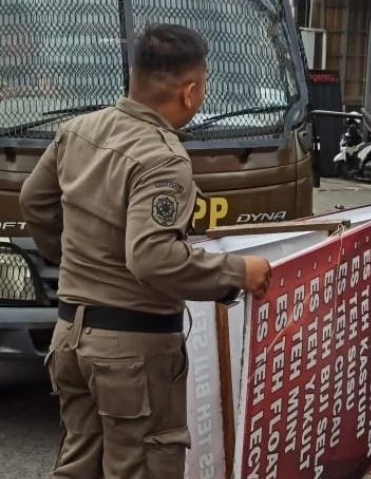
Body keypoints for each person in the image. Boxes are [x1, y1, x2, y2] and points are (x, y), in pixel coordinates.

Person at [19, 24, 272, 479]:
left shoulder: (77, 130)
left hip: (69, 337)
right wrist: (237, 273)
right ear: (191, 91)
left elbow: (34, 201)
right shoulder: (163, 157)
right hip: (132, 351)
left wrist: (74, 258)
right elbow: (152, 257)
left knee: (80, 465)